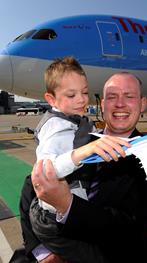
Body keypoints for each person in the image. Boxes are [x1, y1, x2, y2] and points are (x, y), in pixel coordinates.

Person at [19, 72, 147, 263]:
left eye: (129, 96)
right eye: (112, 97)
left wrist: (66, 204)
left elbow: (132, 228)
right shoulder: (78, 139)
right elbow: (31, 185)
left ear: (142, 104)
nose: (120, 104)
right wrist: (42, 253)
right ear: (102, 104)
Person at [26, 57, 131, 263]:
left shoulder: (76, 121)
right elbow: (47, 171)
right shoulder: (56, 125)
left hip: (73, 216)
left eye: (84, 92)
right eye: (71, 94)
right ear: (51, 99)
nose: (82, 100)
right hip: (53, 221)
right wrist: (83, 152)